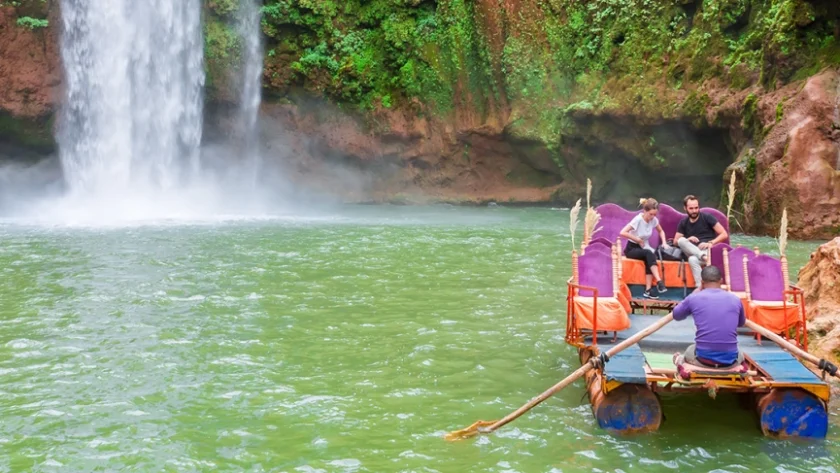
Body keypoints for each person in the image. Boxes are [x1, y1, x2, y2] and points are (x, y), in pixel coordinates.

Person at [674, 266, 745, 368]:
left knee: (690, 349)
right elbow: (741, 323)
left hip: (703, 359)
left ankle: (679, 360)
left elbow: (676, 315)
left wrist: (694, 293)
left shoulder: (694, 298)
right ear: (721, 281)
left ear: (702, 283)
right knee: (740, 353)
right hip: (730, 359)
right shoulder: (736, 299)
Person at [674, 195, 729, 291]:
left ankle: (700, 288)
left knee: (692, 259)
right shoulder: (683, 222)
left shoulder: (707, 217)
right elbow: (676, 242)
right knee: (681, 240)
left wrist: (711, 242)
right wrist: (688, 239)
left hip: (707, 251)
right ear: (685, 208)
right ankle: (701, 256)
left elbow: (724, 234)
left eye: (696, 208)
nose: (694, 211)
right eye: (691, 208)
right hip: (696, 252)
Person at [619, 198, 669, 299]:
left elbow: (661, 231)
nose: (652, 217)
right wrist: (637, 239)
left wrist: (664, 242)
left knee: (650, 257)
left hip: (644, 247)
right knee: (648, 253)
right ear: (645, 211)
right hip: (632, 248)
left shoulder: (654, 220)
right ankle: (659, 281)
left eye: (654, 214)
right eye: (650, 214)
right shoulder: (638, 220)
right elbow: (623, 232)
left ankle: (648, 290)